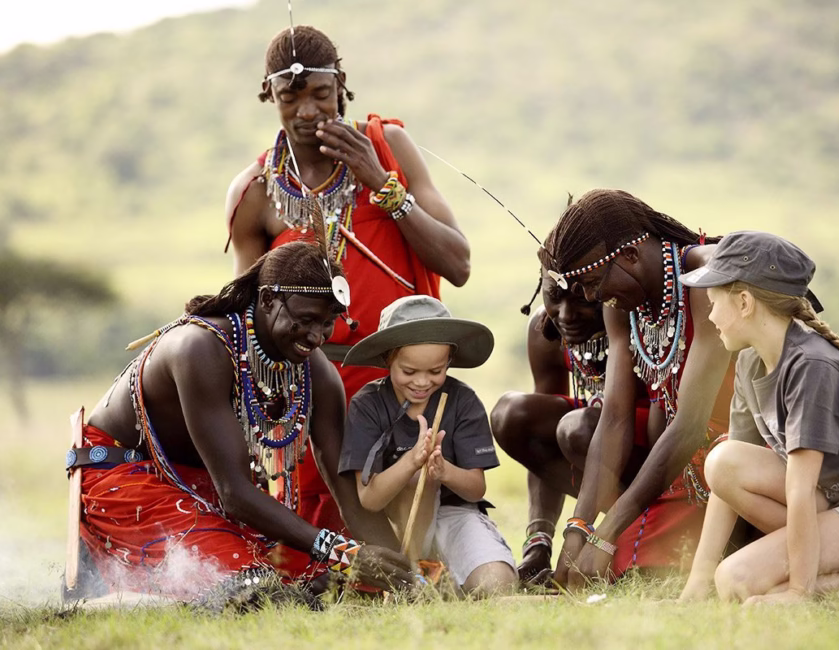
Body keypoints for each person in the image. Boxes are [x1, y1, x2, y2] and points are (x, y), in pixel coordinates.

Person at [225, 25, 471, 534]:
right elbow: (251, 320)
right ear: (269, 94)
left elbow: (458, 263)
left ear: (341, 85)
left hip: (403, 385)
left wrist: (379, 180)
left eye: (321, 93)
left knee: (420, 535)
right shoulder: (254, 193)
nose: (309, 111)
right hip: (314, 394)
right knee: (324, 553)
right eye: (291, 97)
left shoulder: (388, 147)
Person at [75, 242, 415, 601]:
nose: (316, 337)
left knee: (319, 576)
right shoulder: (201, 349)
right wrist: (343, 553)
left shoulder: (319, 375)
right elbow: (235, 493)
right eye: (305, 320)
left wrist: (409, 570)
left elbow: (348, 495)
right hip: (123, 478)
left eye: (328, 323)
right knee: (254, 584)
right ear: (268, 300)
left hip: (204, 490)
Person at [676, 231, 839, 603]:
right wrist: (697, 581)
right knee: (723, 462)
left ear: (743, 302)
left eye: (712, 301)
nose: (709, 314)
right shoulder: (751, 360)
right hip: (838, 498)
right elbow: (736, 470)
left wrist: (798, 593)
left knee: (737, 580)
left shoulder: (813, 366)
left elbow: (800, 489)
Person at [538, 189, 736, 588]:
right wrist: (578, 528)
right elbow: (613, 420)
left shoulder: (706, 276)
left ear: (629, 256)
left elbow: (691, 422)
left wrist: (606, 532)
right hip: (684, 472)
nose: (592, 298)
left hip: (743, 463)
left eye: (593, 283)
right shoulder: (622, 306)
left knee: (639, 566)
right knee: (620, 570)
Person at [490, 266, 725, 583]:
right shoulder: (545, 333)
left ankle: (627, 526)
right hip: (596, 451)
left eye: (583, 300)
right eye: (554, 298)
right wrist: (538, 543)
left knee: (580, 428)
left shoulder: (639, 322)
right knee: (512, 414)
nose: (567, 314)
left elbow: (617, 420)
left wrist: (585, 530)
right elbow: (538, 444)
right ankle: (583, 533)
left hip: (661, 452)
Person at [339, 295, 517, 596]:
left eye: (436, 372)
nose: (422, 382)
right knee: (413, 480)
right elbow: (369, 500)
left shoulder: (463, 401)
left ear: (449, 361)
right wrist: (411, 461)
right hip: (395, 525)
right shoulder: (366, 406)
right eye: (409, 371)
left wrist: (444, 471)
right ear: (387, 359)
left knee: (498, 584)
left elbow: (476, 488)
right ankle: (420, 577)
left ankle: (448, 584)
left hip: (454, 514)